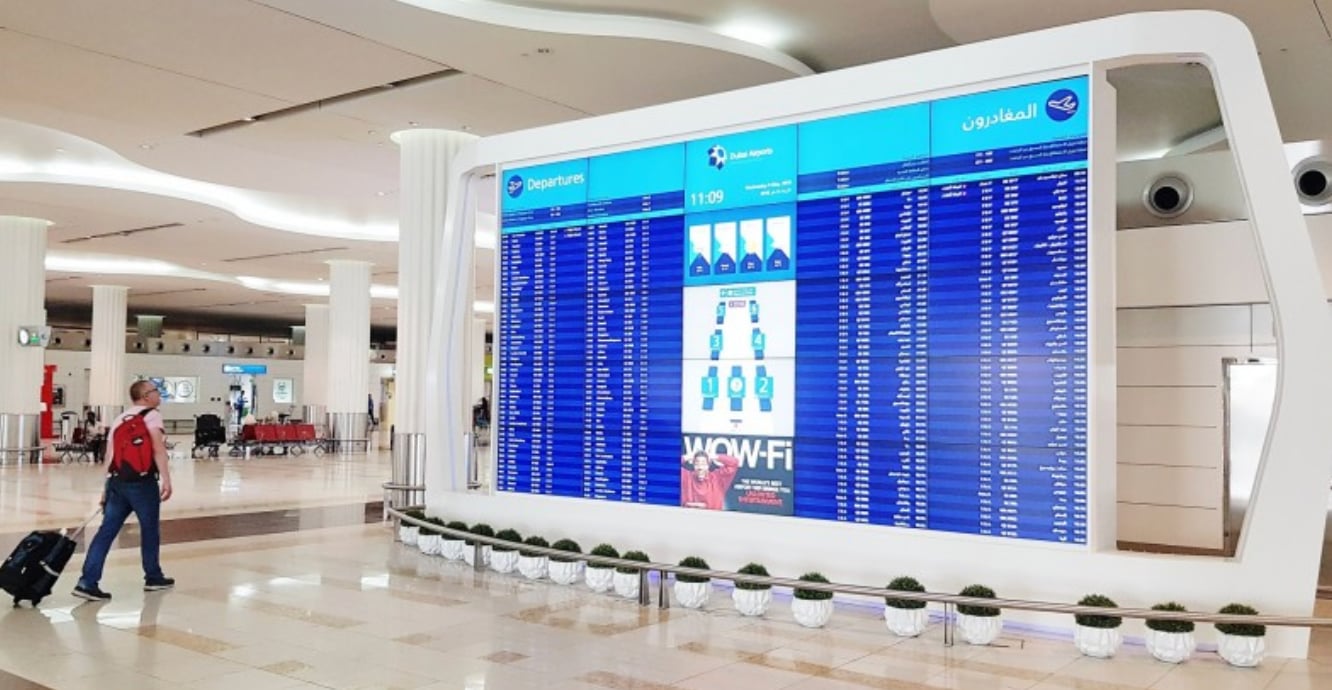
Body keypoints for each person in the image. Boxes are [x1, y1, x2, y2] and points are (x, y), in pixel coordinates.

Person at [73, 380, 175, 601]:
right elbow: (158, 450)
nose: (159, 395)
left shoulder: (120, 419)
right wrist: (166, 480)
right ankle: (153, 576)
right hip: (142, 483)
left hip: (117, 483)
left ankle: (87, 582)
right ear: (146, 396)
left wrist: (106, 489)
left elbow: (109, 458)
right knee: (149, 530)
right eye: (156, 391)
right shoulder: (152, 415)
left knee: (106, 531)